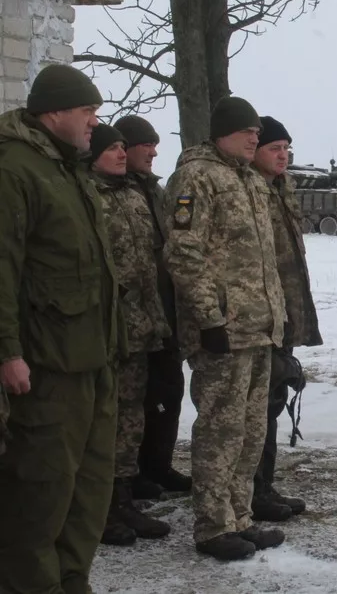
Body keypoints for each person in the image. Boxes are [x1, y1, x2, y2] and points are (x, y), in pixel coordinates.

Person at [0, 64, 120, 594]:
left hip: (93, 358)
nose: (95, 121)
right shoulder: (14, 169)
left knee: (88, 491)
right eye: (87, 111)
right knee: (39, 495)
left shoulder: (69, 169)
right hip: (45, 367)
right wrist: (7, 352)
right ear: (53, 113)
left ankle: (72, 581)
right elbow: (2, 267)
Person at [163, 96, 287, 561]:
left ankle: (240, 517)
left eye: (257, 132)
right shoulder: (196, 177)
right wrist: (208, 318)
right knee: (221, 429)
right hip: (224, 330)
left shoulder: (250, 180)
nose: (255, 138)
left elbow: (261, 260)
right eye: (246, 131)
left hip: (258, 327)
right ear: (222, 133)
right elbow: (183, 253)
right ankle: (213, 527)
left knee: (251, 431)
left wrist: (277, 315)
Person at [87, 124, 175, 545]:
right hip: (105, 329)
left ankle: (123, 500)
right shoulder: (87, 196)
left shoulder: (134, 195)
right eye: (113, 148)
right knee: (104, 419)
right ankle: (99, 508)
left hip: (141, 326)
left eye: (124, 147)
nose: (122, 154)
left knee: (131, 417)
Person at [113, 114, 192, 498]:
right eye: (146, 145)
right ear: (125, 148)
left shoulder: (155, 191)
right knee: (135, 400)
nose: (154, 152)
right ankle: (132, 477)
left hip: (165, 313)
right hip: (134, 317)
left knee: (168, 392)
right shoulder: (112, 193)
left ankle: (159, 466)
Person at [249, 116, 322, 522]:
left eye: (287, 149)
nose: (283, 156)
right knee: (257, 406)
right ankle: (251, 489)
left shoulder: (280, 188)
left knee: (273, 399)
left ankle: (262, 485)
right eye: (275, 148)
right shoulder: (247, 190)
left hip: (283, 312)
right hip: (258, 313)